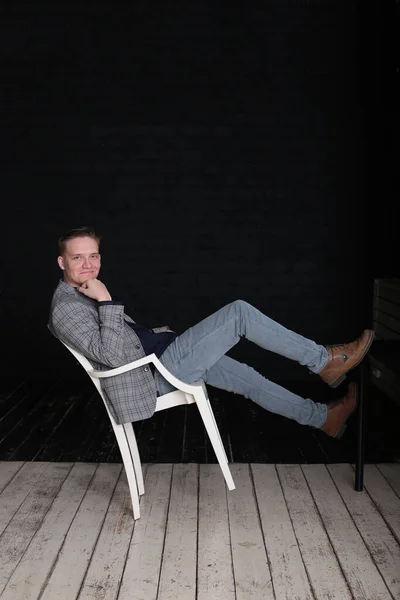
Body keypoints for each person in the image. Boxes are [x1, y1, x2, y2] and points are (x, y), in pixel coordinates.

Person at [49, 226, 374, 439]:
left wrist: (162, 333)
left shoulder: (83, 291)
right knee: (239, 314)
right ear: (62, 262)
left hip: (163, 355)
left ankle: (323, 418)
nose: (88, 264)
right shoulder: (67, 307)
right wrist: (107, 300)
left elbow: (128, 335)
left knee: (249, 379)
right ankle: (324, 360)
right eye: (78, 257)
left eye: (93, 256)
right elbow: (111, 355)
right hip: (151, 377)